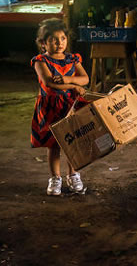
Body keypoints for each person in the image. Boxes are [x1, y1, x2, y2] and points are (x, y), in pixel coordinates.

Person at [30, 18, 90, 195]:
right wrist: (73, 85)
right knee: (54, 144)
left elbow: (85, 79)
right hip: (51, 106)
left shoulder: (72, 59)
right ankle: (55, 178)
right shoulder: (40, 61)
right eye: (53, 40)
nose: (59, 43)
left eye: (62, 38)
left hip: (71, 106)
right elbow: (49, 83)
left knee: (73, 141)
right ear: (43, 43)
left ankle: (73, 175)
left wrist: (69, 79)